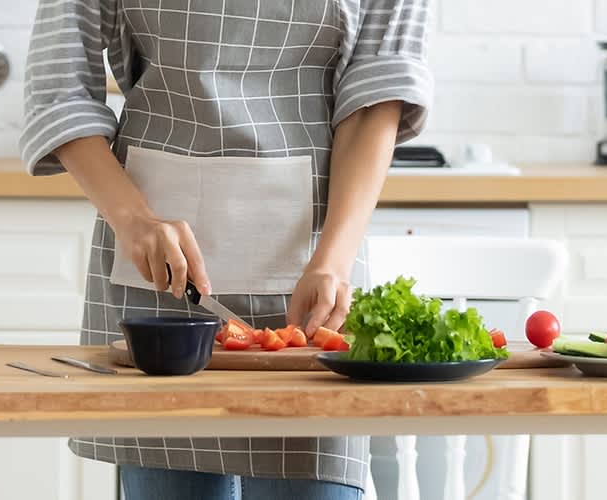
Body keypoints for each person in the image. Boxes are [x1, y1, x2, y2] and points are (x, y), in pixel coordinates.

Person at [21, 0, 431, 498]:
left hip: (316, 259)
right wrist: (135, 220)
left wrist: (333, 258)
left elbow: (375, 98)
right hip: (157, 267)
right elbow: (58, 86)